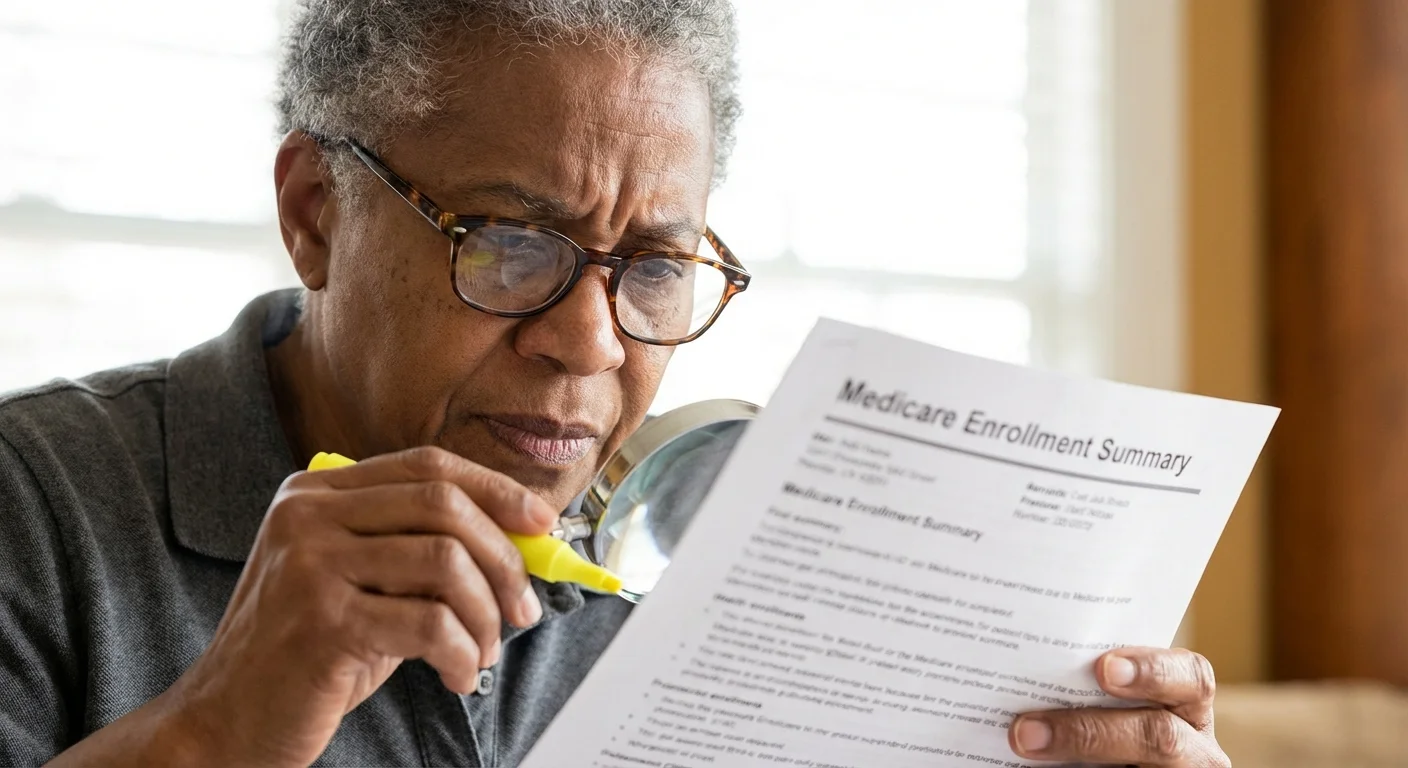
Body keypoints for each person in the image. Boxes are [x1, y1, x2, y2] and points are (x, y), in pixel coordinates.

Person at [0, 1, 1230, 766]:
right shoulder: (33, 505)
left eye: (652, 266)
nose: (589, 346)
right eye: (510, 242)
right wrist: (219, 731)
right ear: (316, 214)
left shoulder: (724, 567)